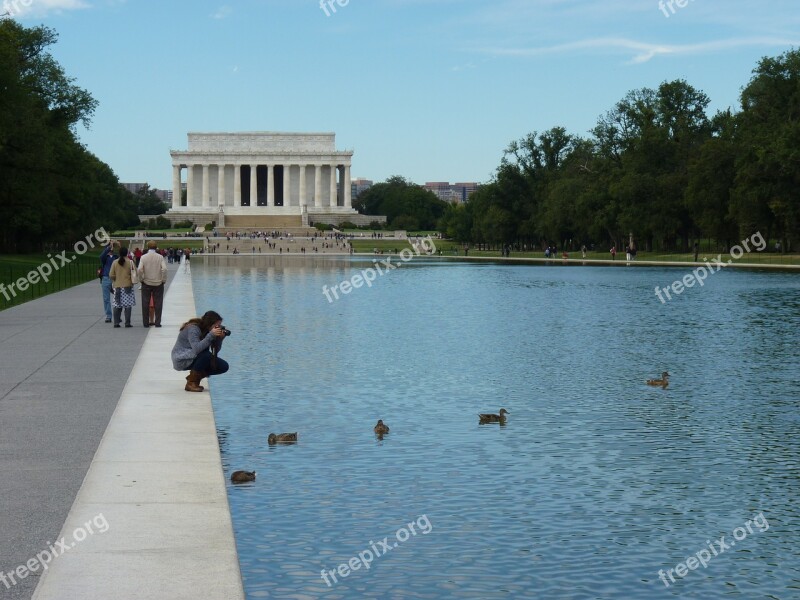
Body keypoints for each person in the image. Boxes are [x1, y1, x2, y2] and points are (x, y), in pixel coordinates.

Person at [171, 310, 229, 392]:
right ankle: (191, 383)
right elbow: (197, 349)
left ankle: (193, 378)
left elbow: (214, 352)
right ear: (210, 324)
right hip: (182, 359)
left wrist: (220, 339)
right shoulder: (193, 329)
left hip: (194, 357)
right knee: (206, 355)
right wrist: (211, 335)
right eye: (217, 326)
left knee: (223, 366)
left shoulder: (207, 331)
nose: (218, 328)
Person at [138, 240, 167, 328]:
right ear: (156, 247)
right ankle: (157, 322)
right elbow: (164, 269)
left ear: (148, 247)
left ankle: (146, 323)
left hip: (146, 282)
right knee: (158, 303)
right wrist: (163, 280)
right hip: (158, 282)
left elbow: (139, 269)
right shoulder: (160, 257)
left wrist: (141, 279)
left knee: (145, 303)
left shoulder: (143, 257)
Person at [109, 247, 136, 328]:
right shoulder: (130, 262)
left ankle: (116, 323)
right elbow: (135, 272)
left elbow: (111, 275)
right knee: (127, 306)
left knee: (117, 304)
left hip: (117, 286)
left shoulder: (115, 262)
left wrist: (116, 279)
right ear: (127, 253)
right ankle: (127, 323)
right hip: (127, 286)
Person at [99, 240, 120, 323]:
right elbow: (101, 256)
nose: (111, 249)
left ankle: (117, 314)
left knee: (118, 298)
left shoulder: (116, 257)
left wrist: (119, 246)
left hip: (115, 279)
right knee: (106, 299)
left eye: (112, 248)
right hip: (106, 278)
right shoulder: (105, 258)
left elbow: (125, 257)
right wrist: (109, 246)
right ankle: (108, 315)